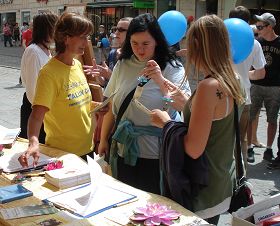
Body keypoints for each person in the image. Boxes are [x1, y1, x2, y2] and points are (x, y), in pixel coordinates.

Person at [150, 15, 244, 224]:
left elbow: (193, 148)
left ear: (198, 45)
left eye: (188, 42)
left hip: (202, 189)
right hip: (220, 182)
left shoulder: (208, 87)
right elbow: (216, 119)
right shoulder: (233, 78)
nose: (186, 50)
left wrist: (166, 123)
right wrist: (188, 103)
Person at [98, 13, 191, 194]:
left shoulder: (172, 67)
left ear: (157, 40)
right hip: (124, 150)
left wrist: (160, 79)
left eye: (145, 44)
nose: (139, 50)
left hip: (157, 154)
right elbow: (112, 107)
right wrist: (103, 139)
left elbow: (184, 107)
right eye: (134, 43)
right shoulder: (123, 64)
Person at [18, 12, 94, 167]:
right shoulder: (49, 73)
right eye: (82, 37)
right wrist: (33, 142)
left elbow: (77, 103)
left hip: (87, 148)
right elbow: (36, 116)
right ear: (66, 38)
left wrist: (98, 107)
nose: (86, 43)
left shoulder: (77, 65)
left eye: (87, 37)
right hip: (64, 154)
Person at [229, 6, 266, 167]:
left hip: (222, 93)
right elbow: (260, 73)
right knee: (242, 140)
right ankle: (242, 178)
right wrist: (245, 75)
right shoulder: (254, 44)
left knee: (221, 139)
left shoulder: (221, 41)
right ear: (248, 22)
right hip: (244, 96)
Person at [19, 12, 59, 144]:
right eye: (56, 28)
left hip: (43, 109)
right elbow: (33, 91)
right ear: (47, 29)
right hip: (36, 111)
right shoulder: (33, 51)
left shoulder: (46, 50)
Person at [249, 12, 280, 165]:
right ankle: (248, 147)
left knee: (272, 119)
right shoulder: (257, 42)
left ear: (270, 26)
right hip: (256, 85)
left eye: (261, 25)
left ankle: (269, 149)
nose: (258, 27)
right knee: (250, 116)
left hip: (275, 87)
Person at [84, 17, 133, 86]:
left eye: (121, 30)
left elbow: (132, 88)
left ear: (132, 33)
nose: (116, 33)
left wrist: (110, 75)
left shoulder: (137, 58)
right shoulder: (113, 53)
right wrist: (98, 75)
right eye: (116, 29)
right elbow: (105, 83)